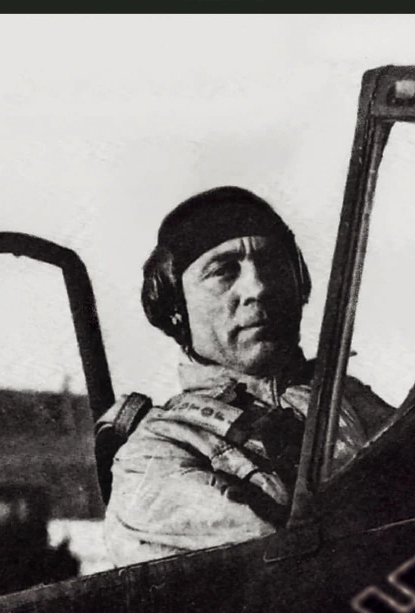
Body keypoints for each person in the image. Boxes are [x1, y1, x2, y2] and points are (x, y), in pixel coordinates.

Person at [100, 186, 391, 566]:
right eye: (223, 271)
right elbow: (291, 569)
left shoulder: (349, 398)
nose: (259, 288)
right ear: (176, 307)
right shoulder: (156, 452)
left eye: (272, 264)